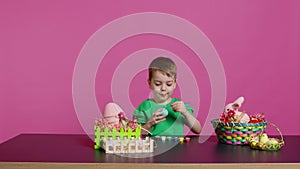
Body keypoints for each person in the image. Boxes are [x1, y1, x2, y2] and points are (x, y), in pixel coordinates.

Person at [133, 57, 201, 136]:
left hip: (178, 147)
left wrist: (185, 113)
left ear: (174, 84)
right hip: (153, 147)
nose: (163, 88)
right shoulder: (143, 107)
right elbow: (135, 135)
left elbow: (198, 130)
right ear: (149, 83)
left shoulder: (180, 106)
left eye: (168, 84)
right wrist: (149, 124)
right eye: (158, 84)